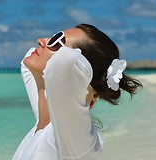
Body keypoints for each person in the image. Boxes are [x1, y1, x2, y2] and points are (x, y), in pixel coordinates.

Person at [12, 23, 142, 160]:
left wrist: (86, 83)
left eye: (57, 41)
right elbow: (27, 62)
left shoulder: (72, 139)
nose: (41, 40)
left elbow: (65, 63)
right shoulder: (44, 123)